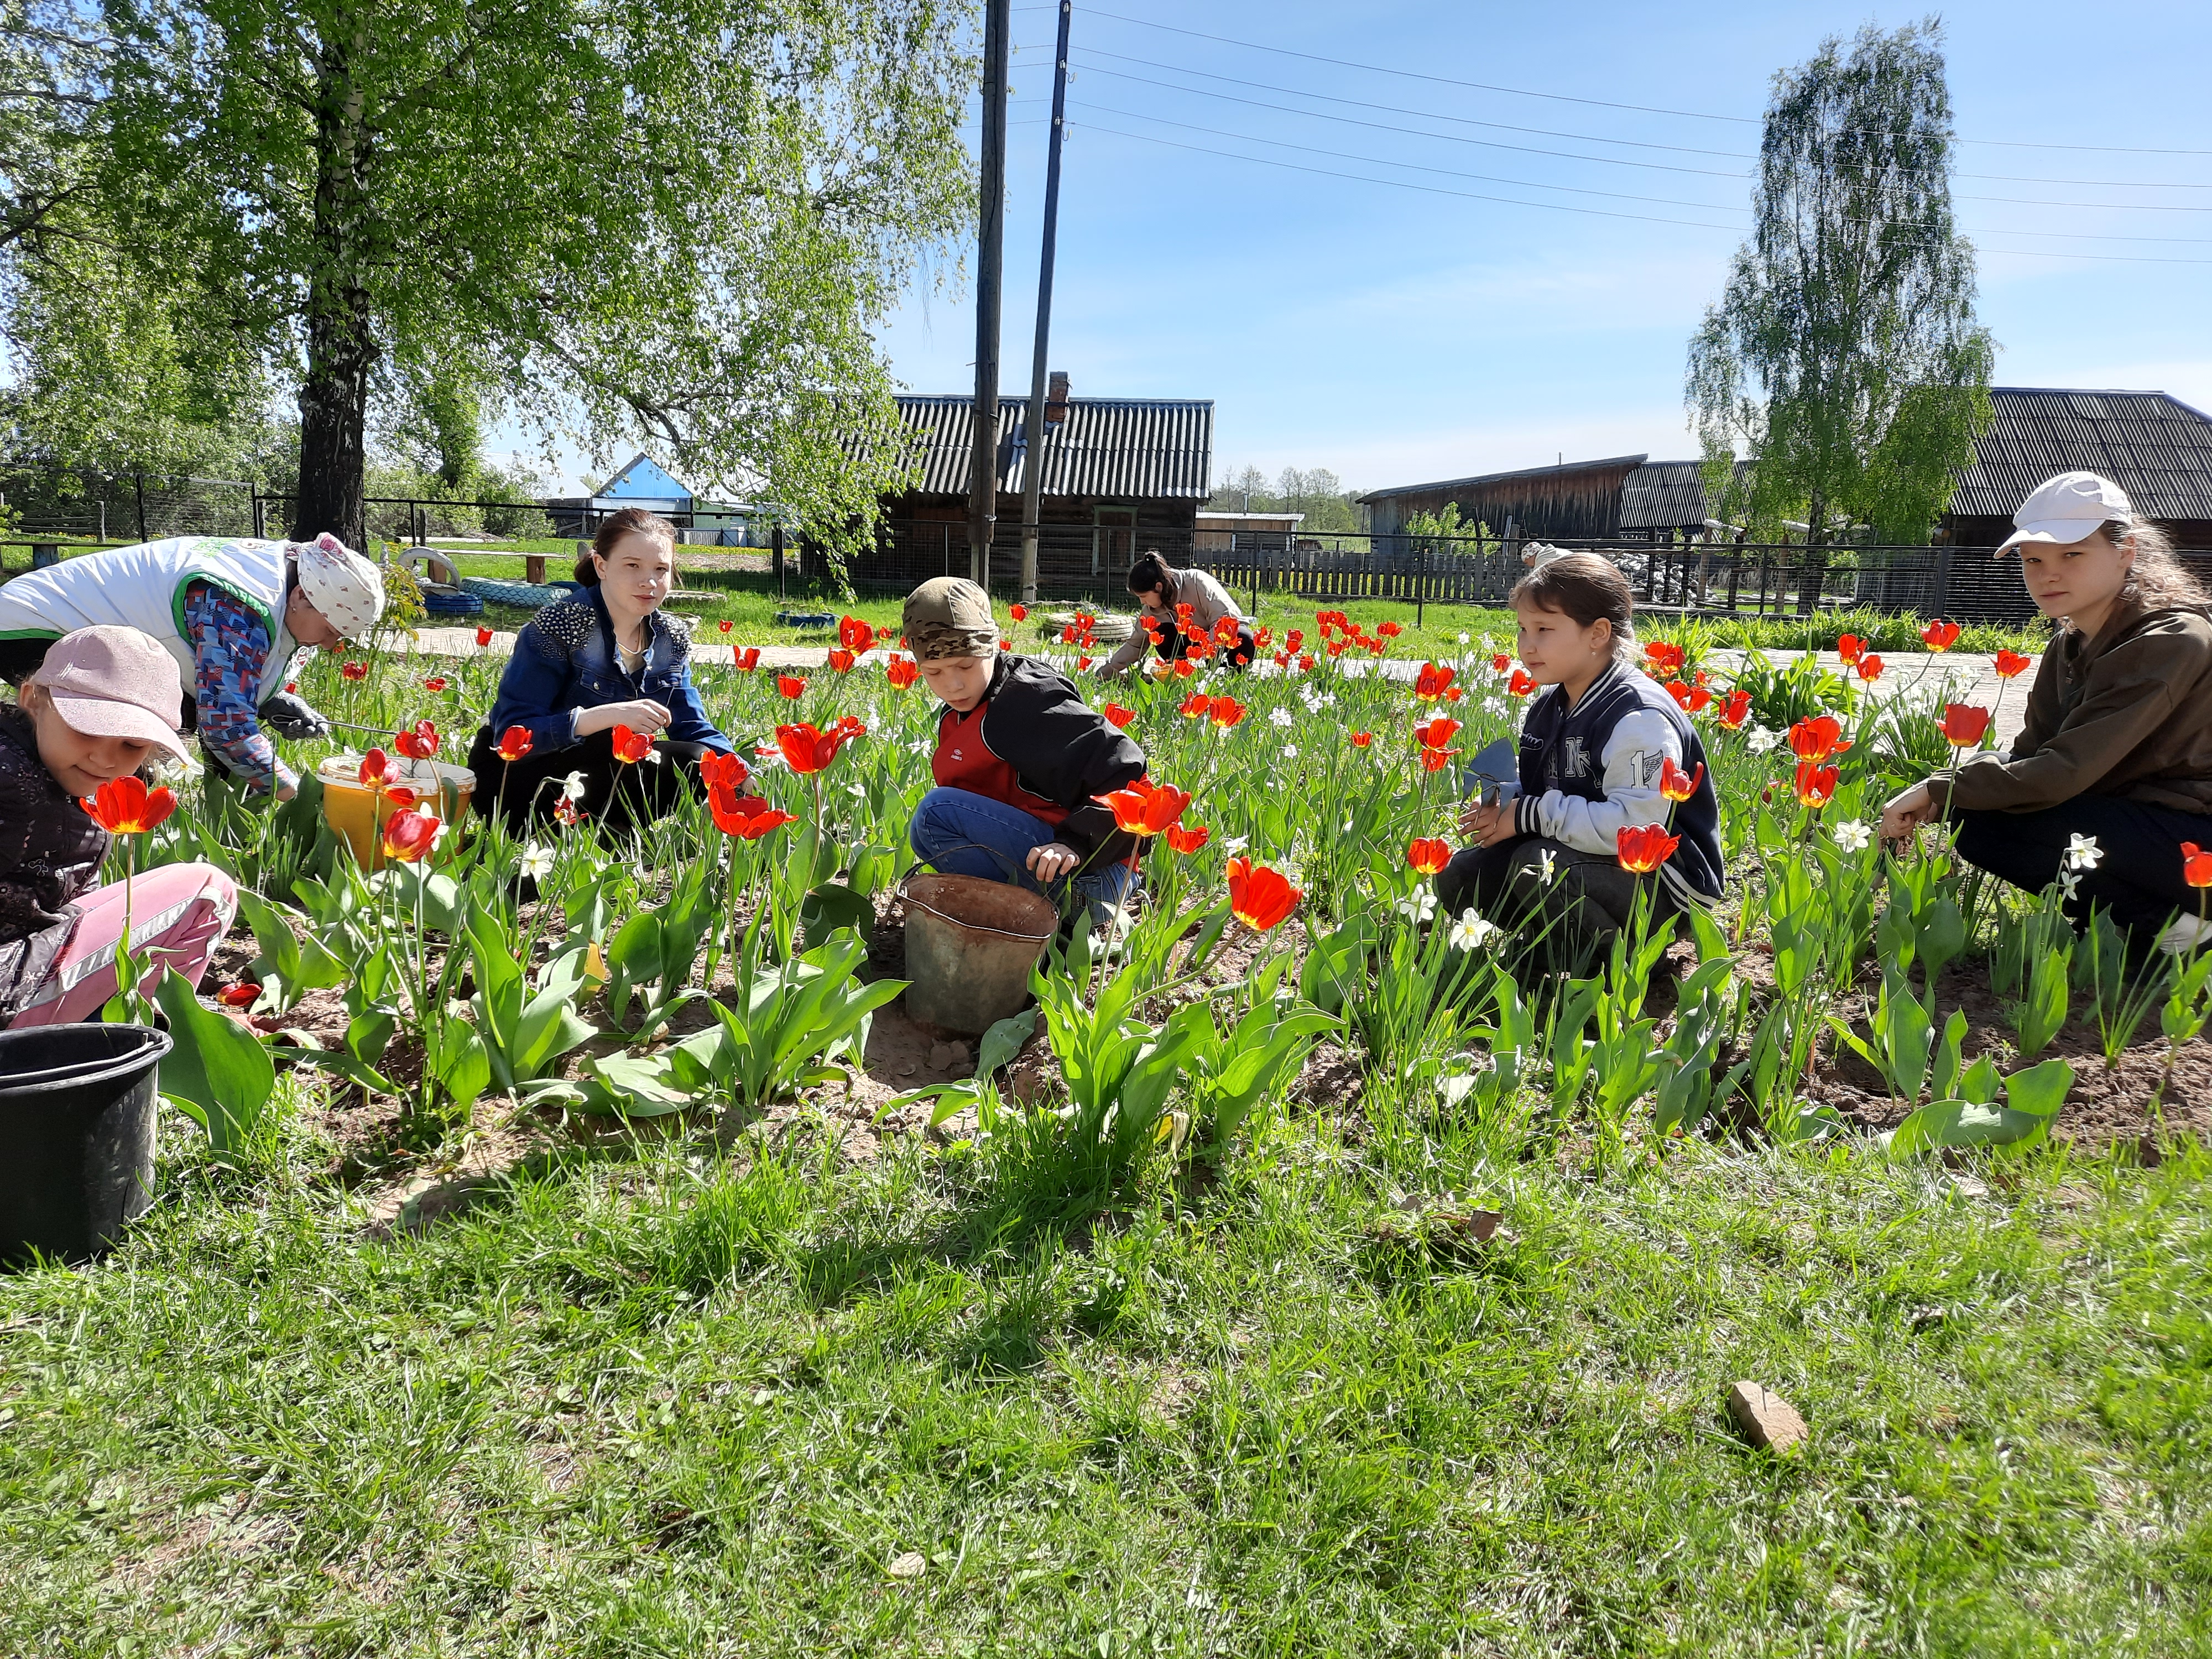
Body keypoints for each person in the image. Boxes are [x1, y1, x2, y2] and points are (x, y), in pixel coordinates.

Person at [1879, 471, 2212, 953]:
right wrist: (1949, 790)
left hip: (2193, 842)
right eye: (2033, 559)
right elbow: (2030, 755)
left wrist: (1941, 787)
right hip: (2140, 831)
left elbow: (2061, 772)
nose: (2048, 573)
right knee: (1982, 820)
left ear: (2127, 552)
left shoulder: (2171, 641)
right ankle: (2142, 929)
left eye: (2072, 555)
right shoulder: (2069, 644)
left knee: (1999, 813)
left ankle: (2179, 937)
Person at [1436, 551, 1723, 965]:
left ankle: (1626, 965)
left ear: (1598, 633)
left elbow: (1635, 826)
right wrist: (1504, 803)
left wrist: (1526, 815)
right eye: (1522, 629)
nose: (1527, 646)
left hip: (1660, 883)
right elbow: (1556, 790)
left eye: (1544, 629)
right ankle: (1557, 946)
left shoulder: (1639, 718)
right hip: (1585, 859)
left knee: (1537, 865)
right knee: (1458, 876)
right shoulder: (1552, 706)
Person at [0, 532, 384, 799]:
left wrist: (273, 699)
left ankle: (135, 807)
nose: (332, 644)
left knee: (172, 712)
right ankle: (58, 810)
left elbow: (232, 681)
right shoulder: (239, 606)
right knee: (102, 723)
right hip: (29, 626)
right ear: (301, 595)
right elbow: (227, 728)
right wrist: (299, 797)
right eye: (331, 630)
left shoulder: (289, 583)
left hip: (79, 624)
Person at [0, 627, 237, 1026]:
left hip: (25, 956)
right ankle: (132, 1044)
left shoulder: (52, 773)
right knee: (209, 890)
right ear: (33, 701)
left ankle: (126, 1023)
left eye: (132, 744)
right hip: (10, 989)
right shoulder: (9, 780)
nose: (106, 760)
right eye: (87, 728)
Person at [468, 506, 734, 833]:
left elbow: (692, 726)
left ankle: (607, 837)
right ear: (601, 565)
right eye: (632, 565)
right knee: (611, 742)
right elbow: (512, 734)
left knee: (699, 761)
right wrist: (608, 715)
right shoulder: (560, 625)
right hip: (518, 781)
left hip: (600, 772)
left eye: (661, 569)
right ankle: (576, 836)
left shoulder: (670, 639)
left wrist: (739, 771)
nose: (649, 581)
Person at [903, 576, 1146, 930]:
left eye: (965, 666)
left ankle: (1039, 914)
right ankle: (1013, 915)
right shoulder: (965, 710)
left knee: (935, 814)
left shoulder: (1025, 702)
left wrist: (1075, 842)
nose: (952, 685)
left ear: (991, 647)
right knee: (927, 834)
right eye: (934, 672)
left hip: (1091, 876)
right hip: (1046, 860)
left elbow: (1127, 770)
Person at [1095, 551, 1258, 679]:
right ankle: (1181, 676)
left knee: (1244, 638)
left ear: (1158, 587)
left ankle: (1232, 679)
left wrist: (1202, 658)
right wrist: (1110, 668)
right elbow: (1136, 645)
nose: (1142, 603)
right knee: (1160, 632)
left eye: (1143, 597)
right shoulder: (1151, 610)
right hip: (1192, 653)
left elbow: (1226, 619)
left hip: (1219, 645)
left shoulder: (1196, 582)